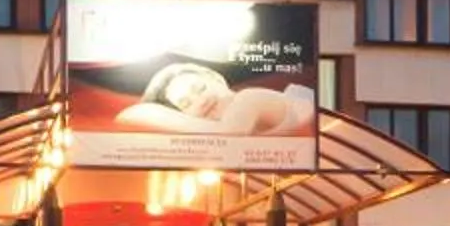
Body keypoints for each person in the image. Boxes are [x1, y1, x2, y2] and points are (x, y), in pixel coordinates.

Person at [115, 61, 316, 136]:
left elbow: (229, 135)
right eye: (186, 104)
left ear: (217, 79)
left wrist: (151, 112)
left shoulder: (250, 99)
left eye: (200, 88)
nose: (200, 101)